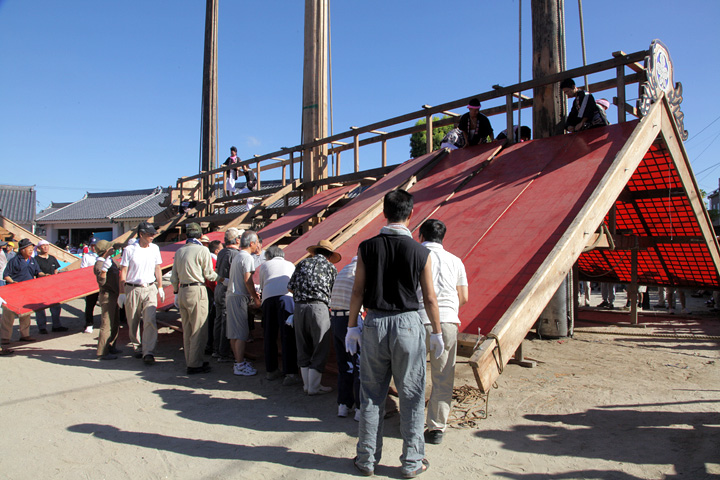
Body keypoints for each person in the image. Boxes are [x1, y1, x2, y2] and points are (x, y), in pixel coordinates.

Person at [344, 189, 443, 478]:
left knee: (372, 393)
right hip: (409, 324)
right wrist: (436, 332)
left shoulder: (366, 247)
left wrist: (352, 326)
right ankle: (412, 461)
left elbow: (358, 290)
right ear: (411, 214)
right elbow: (430, 297)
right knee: (411, 394)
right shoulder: (421, 251)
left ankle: (366, 460)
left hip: (374, 322)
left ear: (384, 213)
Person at [416, 219, 468, 445]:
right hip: (447, 321)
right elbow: (464, 297)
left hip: (417, 319)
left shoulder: (414, 256)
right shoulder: (456, 261)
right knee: (443, 375)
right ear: (443, 237)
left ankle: (412, 422)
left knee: (412, 375)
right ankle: (436, 427)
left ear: (420, 236)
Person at [287, 239, 340, 395]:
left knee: (302, 345)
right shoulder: (330, 267)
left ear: (315, 252)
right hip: (319, 307)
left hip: (299, 308)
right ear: (329, 255)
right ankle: (314, 386)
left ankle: (306, 385)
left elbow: (290, 287)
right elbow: (334, 292)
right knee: (320, 345)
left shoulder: (302, 264)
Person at [170, 223, 218, 374]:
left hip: (182, 290)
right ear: (199, 235)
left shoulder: (179, 251)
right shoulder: (203, 250)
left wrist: (176, 292)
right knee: (198, 328)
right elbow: (209, 274)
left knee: (187, 328)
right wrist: (224, 278)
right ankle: (195, 363)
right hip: (197, 289)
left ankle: (190, 359)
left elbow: (173, 277)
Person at [119, 221, 164, 365]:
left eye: (153, 234)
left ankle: (148, 351)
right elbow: (124, 271)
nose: (152, 236)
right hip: (133, 287)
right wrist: (122, 292)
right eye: (150, 234)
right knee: (133, 320)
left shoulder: (155, 248)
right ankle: (137, 345)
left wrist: (160, 286)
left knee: (150, 319)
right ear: (141, 234)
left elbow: (158, 268)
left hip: (150, 287)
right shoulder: (130, 250)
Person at [256, 246, 299, 385]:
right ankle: (290, 372)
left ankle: (271, 370)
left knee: (269, 335)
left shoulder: (265, 265)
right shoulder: (290, 265)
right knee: (288, 335)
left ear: (269, 256)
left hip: (268, 299)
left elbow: (262, 285)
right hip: (287, 298)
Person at [329, 255, 362, 417]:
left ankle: (343, 404)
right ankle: (359, 408)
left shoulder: (344, 270)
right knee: (358, 365)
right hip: (351, 320)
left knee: (344, 364)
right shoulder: (360, 271)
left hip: (335, 319)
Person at [226, 230, 262, 376]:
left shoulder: (238, 256)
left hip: (232, 296)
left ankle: (238, 361)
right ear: (252, 243)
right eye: (257, 242)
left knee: (234, 333)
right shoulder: (247, 258)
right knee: (241, 333)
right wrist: (256, 298)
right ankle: (240, 365)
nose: (258, 245)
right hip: (239, 296)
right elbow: (248, 280)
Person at [2, 239, 46, 344]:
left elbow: (38, 272)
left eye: (32, 248)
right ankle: (5, 337)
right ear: (22, 250)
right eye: (29, 248)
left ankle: (25, 335)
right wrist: (12, 282)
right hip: (13, 291)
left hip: (28, 291)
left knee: (26, 314)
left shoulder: (32, 260)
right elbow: (6, 275)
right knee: (9, 314)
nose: (31, 250)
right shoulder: (14, 261)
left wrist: (44, 275)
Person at [214, 228, 242, 363]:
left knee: (219, 319)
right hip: (227, 289)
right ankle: (224, 352)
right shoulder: (235, 254)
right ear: (237, 240)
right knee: (226, 320)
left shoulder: (222, 252)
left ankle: (217, 349)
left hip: (219, 287)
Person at [93, 240, 122, 360]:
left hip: (114, 295)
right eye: (110, 248)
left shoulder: (110, 261)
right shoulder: (100, 264)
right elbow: (101, 281)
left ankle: (111, 345)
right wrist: (105, 268)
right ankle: (102, 351)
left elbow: (121, 266)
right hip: (107, 295)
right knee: (107, 324)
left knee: (115, 322)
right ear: (106, 251)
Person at [34, 239, 68, 334]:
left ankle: (56, 325)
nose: (45, 247)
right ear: (39, 247)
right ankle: (42, 327)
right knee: (40, 308)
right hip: (40, 286)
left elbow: (56, 270)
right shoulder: (36, 259)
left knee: (56, 306)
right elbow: (35, 272)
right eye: (43, 246)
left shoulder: (52, 258)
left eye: (47, 245)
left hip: (53, 286)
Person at [81, 237, 99, 333]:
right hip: (91, 283)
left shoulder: (105, 255)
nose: (93, 247)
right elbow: (83, 269)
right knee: (90, 305)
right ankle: (89, 324)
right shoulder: (86, 256)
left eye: (95, 245)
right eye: (92, 245)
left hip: (103, 283)